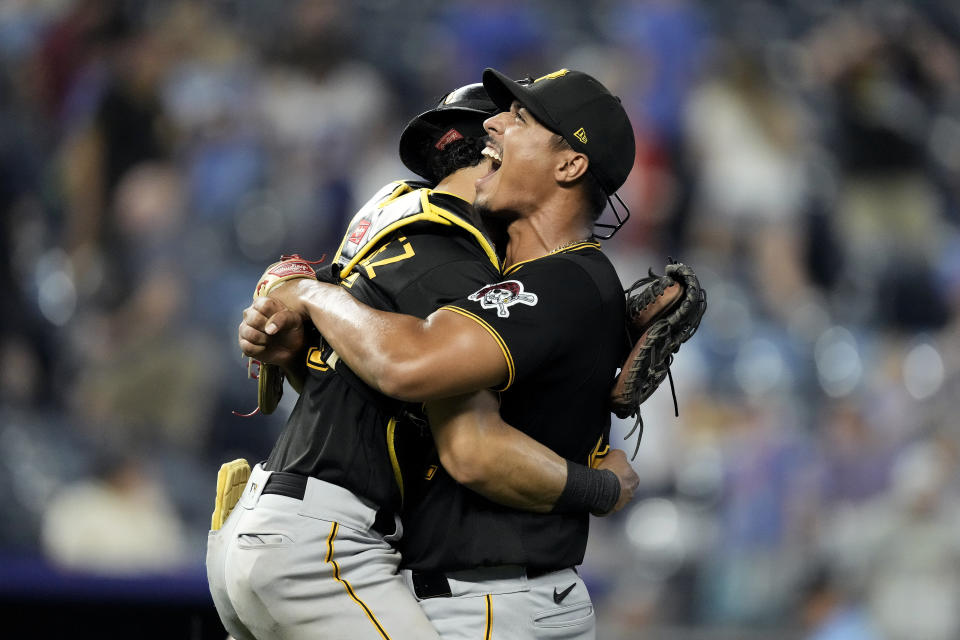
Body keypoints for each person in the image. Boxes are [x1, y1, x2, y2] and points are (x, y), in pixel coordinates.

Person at [212, 80, 638, 640]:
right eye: (493, 127)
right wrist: (604, 485)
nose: (496, 133)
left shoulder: (401, 232)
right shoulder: (456, 256)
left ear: (568, 165)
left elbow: (351, 377)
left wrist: (603, 333)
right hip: (323, 541)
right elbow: (457, 430)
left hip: (290, 528)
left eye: (519, 121)